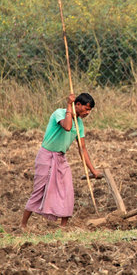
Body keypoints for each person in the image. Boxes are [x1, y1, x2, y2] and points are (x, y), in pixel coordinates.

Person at [21, 93, 101, 229]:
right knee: (39, 190)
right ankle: (23, 225)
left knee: (67, 190)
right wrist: (69, 105)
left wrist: (93, 171)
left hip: (60, 157)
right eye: (86, 109)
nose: (88, 112)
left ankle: (63, 227)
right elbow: (67, 126)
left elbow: (82, 148)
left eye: (89, 110)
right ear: (78, 105)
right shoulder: (59, 113)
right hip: (46, 156)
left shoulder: (79, 124)